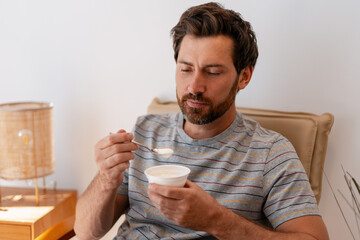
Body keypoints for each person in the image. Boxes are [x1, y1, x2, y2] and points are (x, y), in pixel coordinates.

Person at [74, 2, 329, 239]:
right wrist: (106, 179)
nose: (194, 86)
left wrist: (217, 221)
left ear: (244, 76)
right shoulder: (144, 132)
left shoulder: (269, 153)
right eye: (186, 69)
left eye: (213, 72)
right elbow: (85, 232)